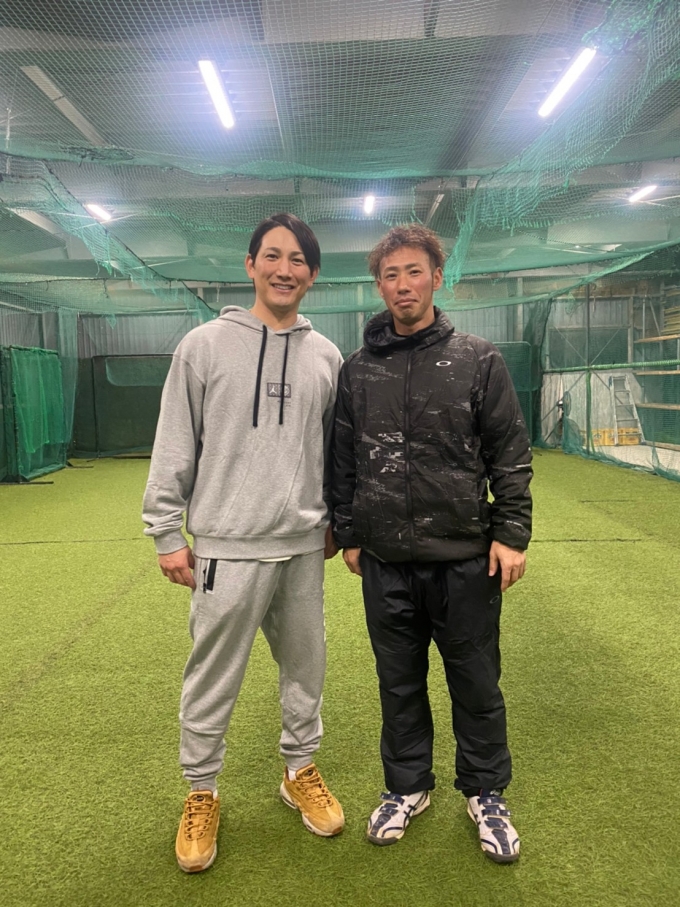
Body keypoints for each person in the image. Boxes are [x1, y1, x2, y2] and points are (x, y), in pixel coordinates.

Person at [143, 213, 345, 874]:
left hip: (303, 547)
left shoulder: (327, 356)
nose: (285, 269)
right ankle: (202, 790)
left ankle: (299, 770)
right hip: (225, 549)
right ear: (251, 264)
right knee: (212, 674)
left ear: (312, 274)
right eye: (273, 256)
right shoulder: (202, 346)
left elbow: (334, 451)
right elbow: (175, 440)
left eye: (298, 259)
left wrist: (338, 520)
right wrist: (166, 531)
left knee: (306, 666)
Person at [331, 224, 532, 863]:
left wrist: (512, 534)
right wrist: (350, 533)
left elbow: (509, 452)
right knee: (398, 683)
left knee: (476, 682)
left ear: (437, 278)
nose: (403, 285)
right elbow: (343, 458)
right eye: (390, 274)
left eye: (414, 271)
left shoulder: (478, 359)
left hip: (465, 558)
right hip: (385, 562)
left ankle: (486, 792)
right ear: (379, 285)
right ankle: (406, 787)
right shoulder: (358, 369)